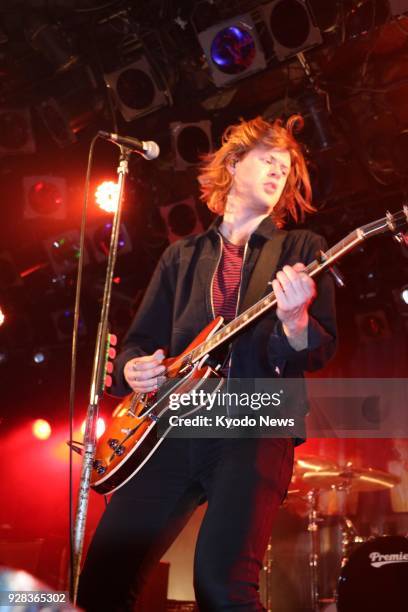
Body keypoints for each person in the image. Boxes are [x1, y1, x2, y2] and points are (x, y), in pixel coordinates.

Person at [77, 115, 337, 611]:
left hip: (254, 424)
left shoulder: (302, 248)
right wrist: (133, 370)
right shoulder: (181, 256)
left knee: (221, 589)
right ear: (234, 164)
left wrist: (295, 318)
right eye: (268, 159)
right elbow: (137, 345)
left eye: (285, 168)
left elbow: (320, 347)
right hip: (168, 432)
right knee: (100, 587)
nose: (278, 172)